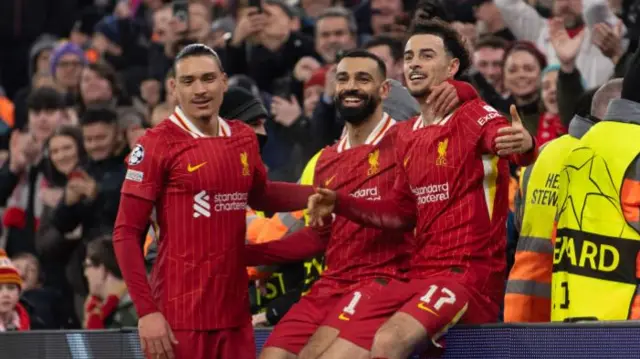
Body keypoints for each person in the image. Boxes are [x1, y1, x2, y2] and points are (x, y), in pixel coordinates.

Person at [307, 18, 537, 359]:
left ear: (452, 67)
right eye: (410, 56)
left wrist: (525, 142)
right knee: (330, 353)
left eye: (427, 55)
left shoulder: (473, 114)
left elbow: (512, 144)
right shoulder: (405, 134)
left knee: (387, 342)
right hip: (416, 274)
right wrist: (341, 202)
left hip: (467, 273)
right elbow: (399, 215)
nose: (415, 63)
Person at [245, 50, 477, 359]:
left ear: (383, 90)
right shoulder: (327, 159)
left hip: (383, 279)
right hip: (331, 282)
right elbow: (320, 237)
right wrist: (247, 255)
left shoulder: (406, 143)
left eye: (363, 79)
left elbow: (404, 216)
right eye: (343, 79)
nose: (351, 86)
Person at [112, 44, 314, 359]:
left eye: (208, 78)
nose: (200, 89)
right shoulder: (154, 145)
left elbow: (261, 195)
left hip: (235, 315)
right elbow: (125, 233)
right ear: (173, 89)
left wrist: (319, 193)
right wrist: (147, 312)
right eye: (189, 81)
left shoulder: (243, 137)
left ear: (223, 81)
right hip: (179, 316)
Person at [505, 78, 623, 323]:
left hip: (522, 301)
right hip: (574, 306)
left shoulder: (542, 153)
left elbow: (519, 223)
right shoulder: (604, 159)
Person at [551, 46, 640, 322]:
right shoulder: (636, 147)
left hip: (574, 322)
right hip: (629, 324)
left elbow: (558, 235)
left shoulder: (583, 143)